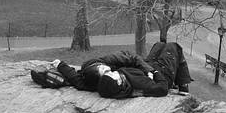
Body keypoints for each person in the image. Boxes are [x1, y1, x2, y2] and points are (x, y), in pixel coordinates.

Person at [33, 42, 192, 99]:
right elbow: (162, 88)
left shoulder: (96, 76)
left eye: (104, 69)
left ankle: (182, 82)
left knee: (158, 44)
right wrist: (155, 74)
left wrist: (60, 65)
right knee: (174, 47)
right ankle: (184, 86)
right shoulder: (133, 85)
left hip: (145, 65)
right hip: (162, 74)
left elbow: (75, 79)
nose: (108, 70)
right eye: (107, 72)